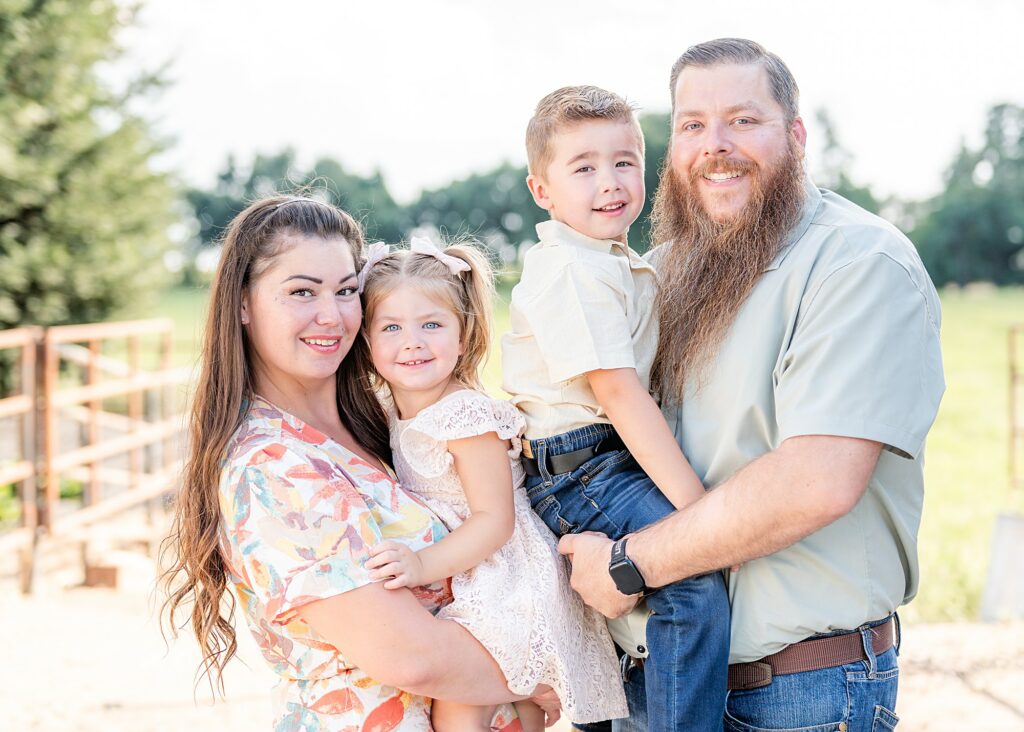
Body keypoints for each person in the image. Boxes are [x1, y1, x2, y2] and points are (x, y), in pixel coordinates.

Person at [558, 39, 945, 731]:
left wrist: (625, 566)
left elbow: (815, 481)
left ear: (796, 136)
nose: (717, 145)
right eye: (693, 125)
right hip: (653, 684)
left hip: (797, 693)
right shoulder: (660, 271)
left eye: (744, 120)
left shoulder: (859, 264)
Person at [162, 195, 554, 731]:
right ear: (243, 304)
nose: (332, 315)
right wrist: (548, 671)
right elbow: (410, 656)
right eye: (302, 291)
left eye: (347, 291)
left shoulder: (385, 421)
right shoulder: (274, 465)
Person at [500, 85, 730, 732]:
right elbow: (619, 393)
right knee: (690, 577)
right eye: (584, 167)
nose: (610, 182)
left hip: (601, 460)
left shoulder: (610, 262)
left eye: (625, 161)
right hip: (582, 466)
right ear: (542, 191)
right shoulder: (572, 270)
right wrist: (700, 512)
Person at [359, 236, 627, 731]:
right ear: (367, 340)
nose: (412, 342)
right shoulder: (387, 407)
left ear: (463, 336)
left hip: (507, 576)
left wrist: (419, 565)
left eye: (432, 325)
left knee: (458, 709)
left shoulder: (465, 415)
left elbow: (495, 520)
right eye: (391, 326)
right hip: (470, 569)